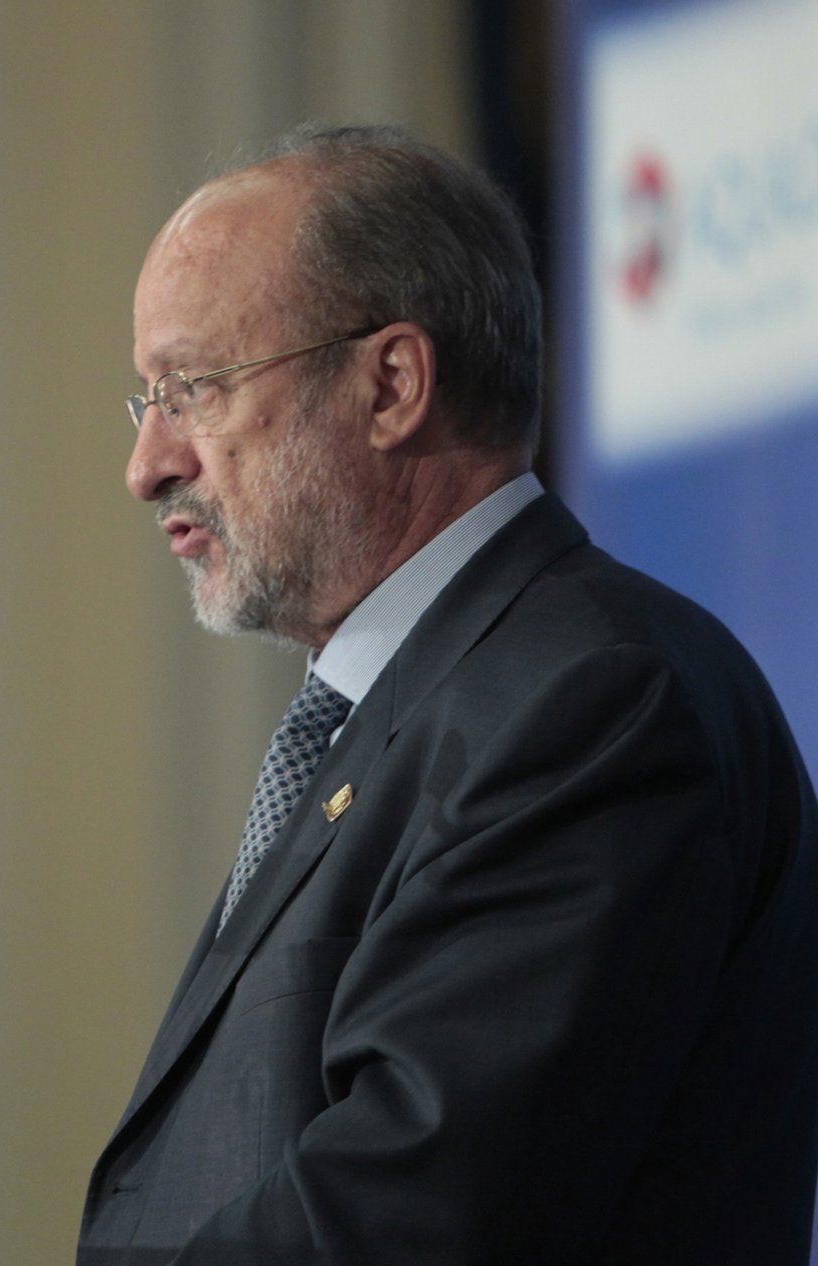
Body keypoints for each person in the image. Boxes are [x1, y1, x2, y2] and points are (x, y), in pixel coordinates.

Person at [76, 124, 818, 1264]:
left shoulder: (591, 703)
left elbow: (411, 1215)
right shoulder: (408, 707)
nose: (149, 465)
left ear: (391, 386)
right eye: (148, 400)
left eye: (196, 388)